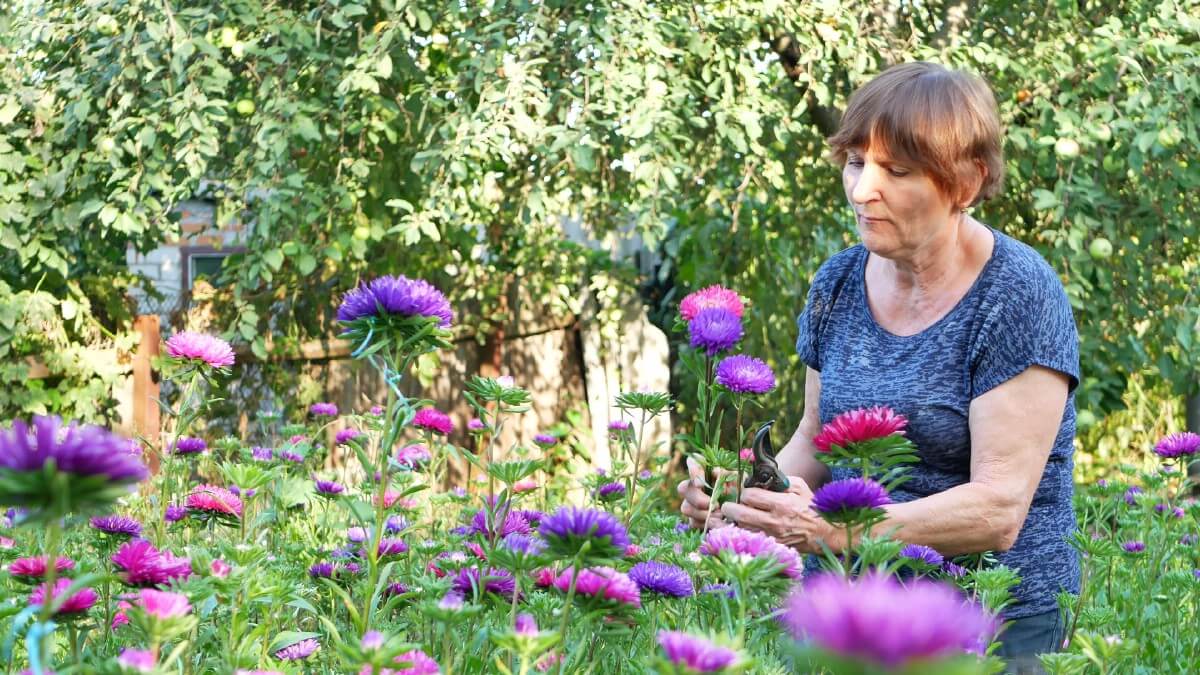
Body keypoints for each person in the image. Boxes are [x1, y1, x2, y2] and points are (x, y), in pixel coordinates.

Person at [678, 61, 1080, 673]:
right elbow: (813, 440)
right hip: (846, 612)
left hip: (989, 622)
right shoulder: (837, 283)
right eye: (856, 162)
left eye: (896, 170)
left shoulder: (1018, 295)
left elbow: (999, 509)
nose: (864, 189)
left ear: (966, 182)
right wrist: (742, 502)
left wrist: (832, 530)